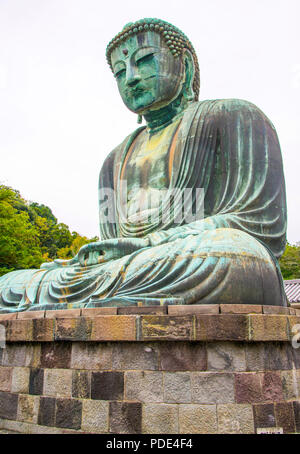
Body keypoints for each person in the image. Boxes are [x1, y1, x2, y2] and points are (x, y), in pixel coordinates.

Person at [0, 18, 288, 312]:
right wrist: (91, 261)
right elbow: (112, 247)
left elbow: (262, 227)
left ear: (185, 66)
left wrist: (153, 242)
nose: (131, 79)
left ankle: (100, 299)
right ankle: (99, 299)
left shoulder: (234, 116)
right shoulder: (114, 159)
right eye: (120, 72)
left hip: (195, 255)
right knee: (8, 285)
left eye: (145, 60)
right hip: (134, 268)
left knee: (237, 258)